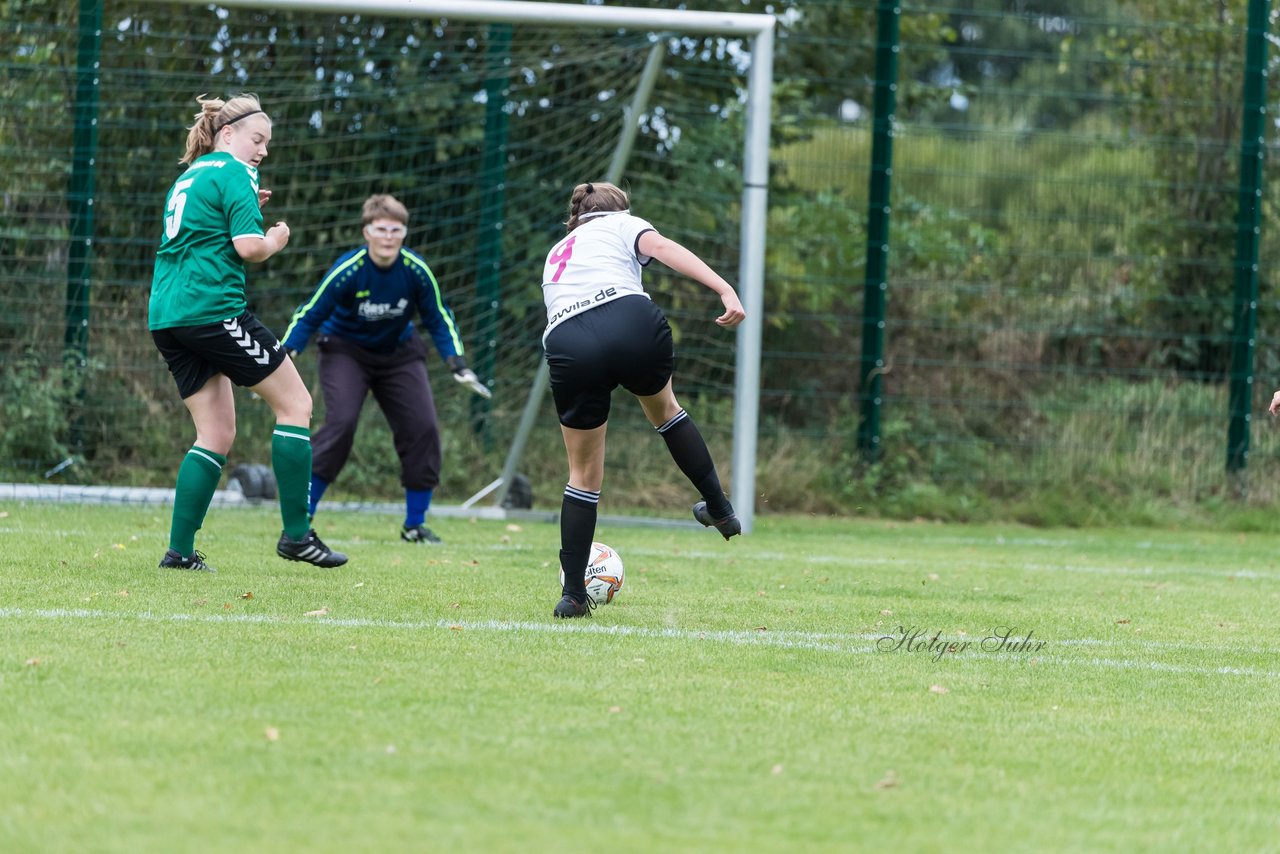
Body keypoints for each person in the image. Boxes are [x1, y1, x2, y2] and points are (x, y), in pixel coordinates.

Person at [149, 94, 347, 572]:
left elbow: (206, 234)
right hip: (212, 310)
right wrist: (273, 238)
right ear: (228, 134)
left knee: (215, 432)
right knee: (296, 405)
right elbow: (249, 248)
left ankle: (179, 553)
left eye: (267, 143)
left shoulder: (192, 175)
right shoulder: (235, 171)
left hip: (167, 317)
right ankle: (297, 536)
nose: (262, 151)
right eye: (257, 139)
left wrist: (243, 210)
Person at [541, 181, 746, 618]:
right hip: (629, 318)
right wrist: (724, 288)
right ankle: (720, 508)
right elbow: (665, 247)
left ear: (574, 218)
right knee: (666, 410)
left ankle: (574, 596)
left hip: (567, 338)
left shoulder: (558, 250)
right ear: (620, 210)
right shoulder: (622, 223)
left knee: (582, 474)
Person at [280, 194, 488, 544]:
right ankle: (301, 522)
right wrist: (284, 353)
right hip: (345, 351)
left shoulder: (415, 271)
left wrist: (456, 362)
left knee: (422, 428)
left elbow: (438, 317)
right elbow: (310, 312)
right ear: (367, 232)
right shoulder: (349, 270)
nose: (389, 237)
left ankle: (415, 525)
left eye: (396, 229)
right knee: (341, 424)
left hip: (399, 354)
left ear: (404, 233)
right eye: (381, 229)